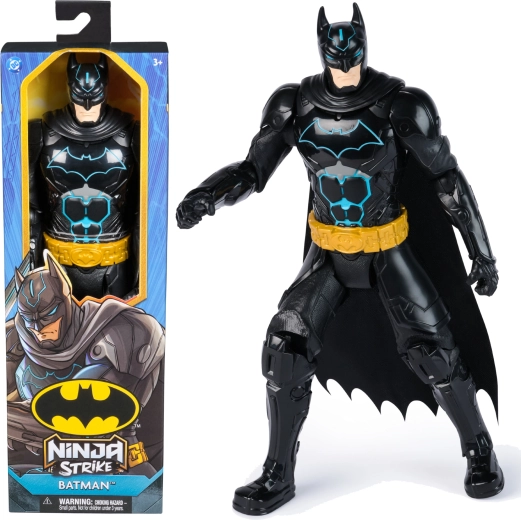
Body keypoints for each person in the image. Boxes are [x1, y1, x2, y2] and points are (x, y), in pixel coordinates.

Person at [177, 4, 503, 514]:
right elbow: (252, 171)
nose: (344, 51)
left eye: (352, 39)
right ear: (320, 41)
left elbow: (447, 180)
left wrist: (481, 252)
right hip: (328, 252)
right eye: (335, 40)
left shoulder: (401, 104)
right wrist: (208, 196)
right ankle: (279, 471)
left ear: (365, 39)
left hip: (387, 247)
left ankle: (478, 448)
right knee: (284, 348)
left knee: (435, 353)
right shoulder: (294, 105)